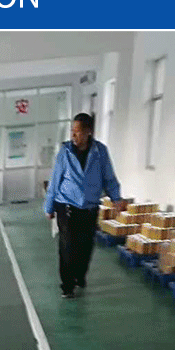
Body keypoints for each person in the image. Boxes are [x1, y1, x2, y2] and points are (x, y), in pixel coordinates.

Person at [43, 112, 121, 298]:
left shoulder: (100, 152)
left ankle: (79, 275)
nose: (73, 135)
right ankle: (67, 286)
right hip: (66, 206)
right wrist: (49, 206)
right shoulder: (65, 152)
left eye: (77, 131)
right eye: (72, 131)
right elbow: (55, 180)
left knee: (85, 247)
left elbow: (109, 177)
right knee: (67, 247)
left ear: (88, 132)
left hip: (89, 208)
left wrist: (116, 198)